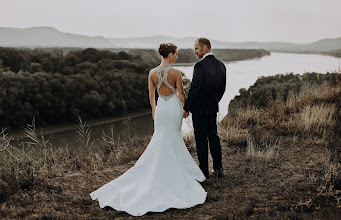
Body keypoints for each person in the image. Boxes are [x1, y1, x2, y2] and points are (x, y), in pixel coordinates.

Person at [90, 43, 207, 216]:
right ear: (170, 54)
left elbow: (151, 95)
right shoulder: (176, 73)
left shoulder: (152, 73)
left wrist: (154, 111)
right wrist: (186, 108)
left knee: (160, 139)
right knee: (173, 137)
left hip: (160, 109)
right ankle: (176, 173)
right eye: (176, 54)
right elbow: (181, 94)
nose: (177, 56)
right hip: (173, 108)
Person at [183, 38, 226, 179]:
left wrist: (187, 107)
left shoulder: (199, 66)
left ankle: (203, 172)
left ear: (205, 48)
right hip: (212, 108)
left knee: (201, 139)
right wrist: (214, 101)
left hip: (199, 110)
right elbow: (222, 89)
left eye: (196, 48)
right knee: (214, 137)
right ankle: (218, 168)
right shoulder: (221, 66)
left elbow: (194, 89)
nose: (195, 51)